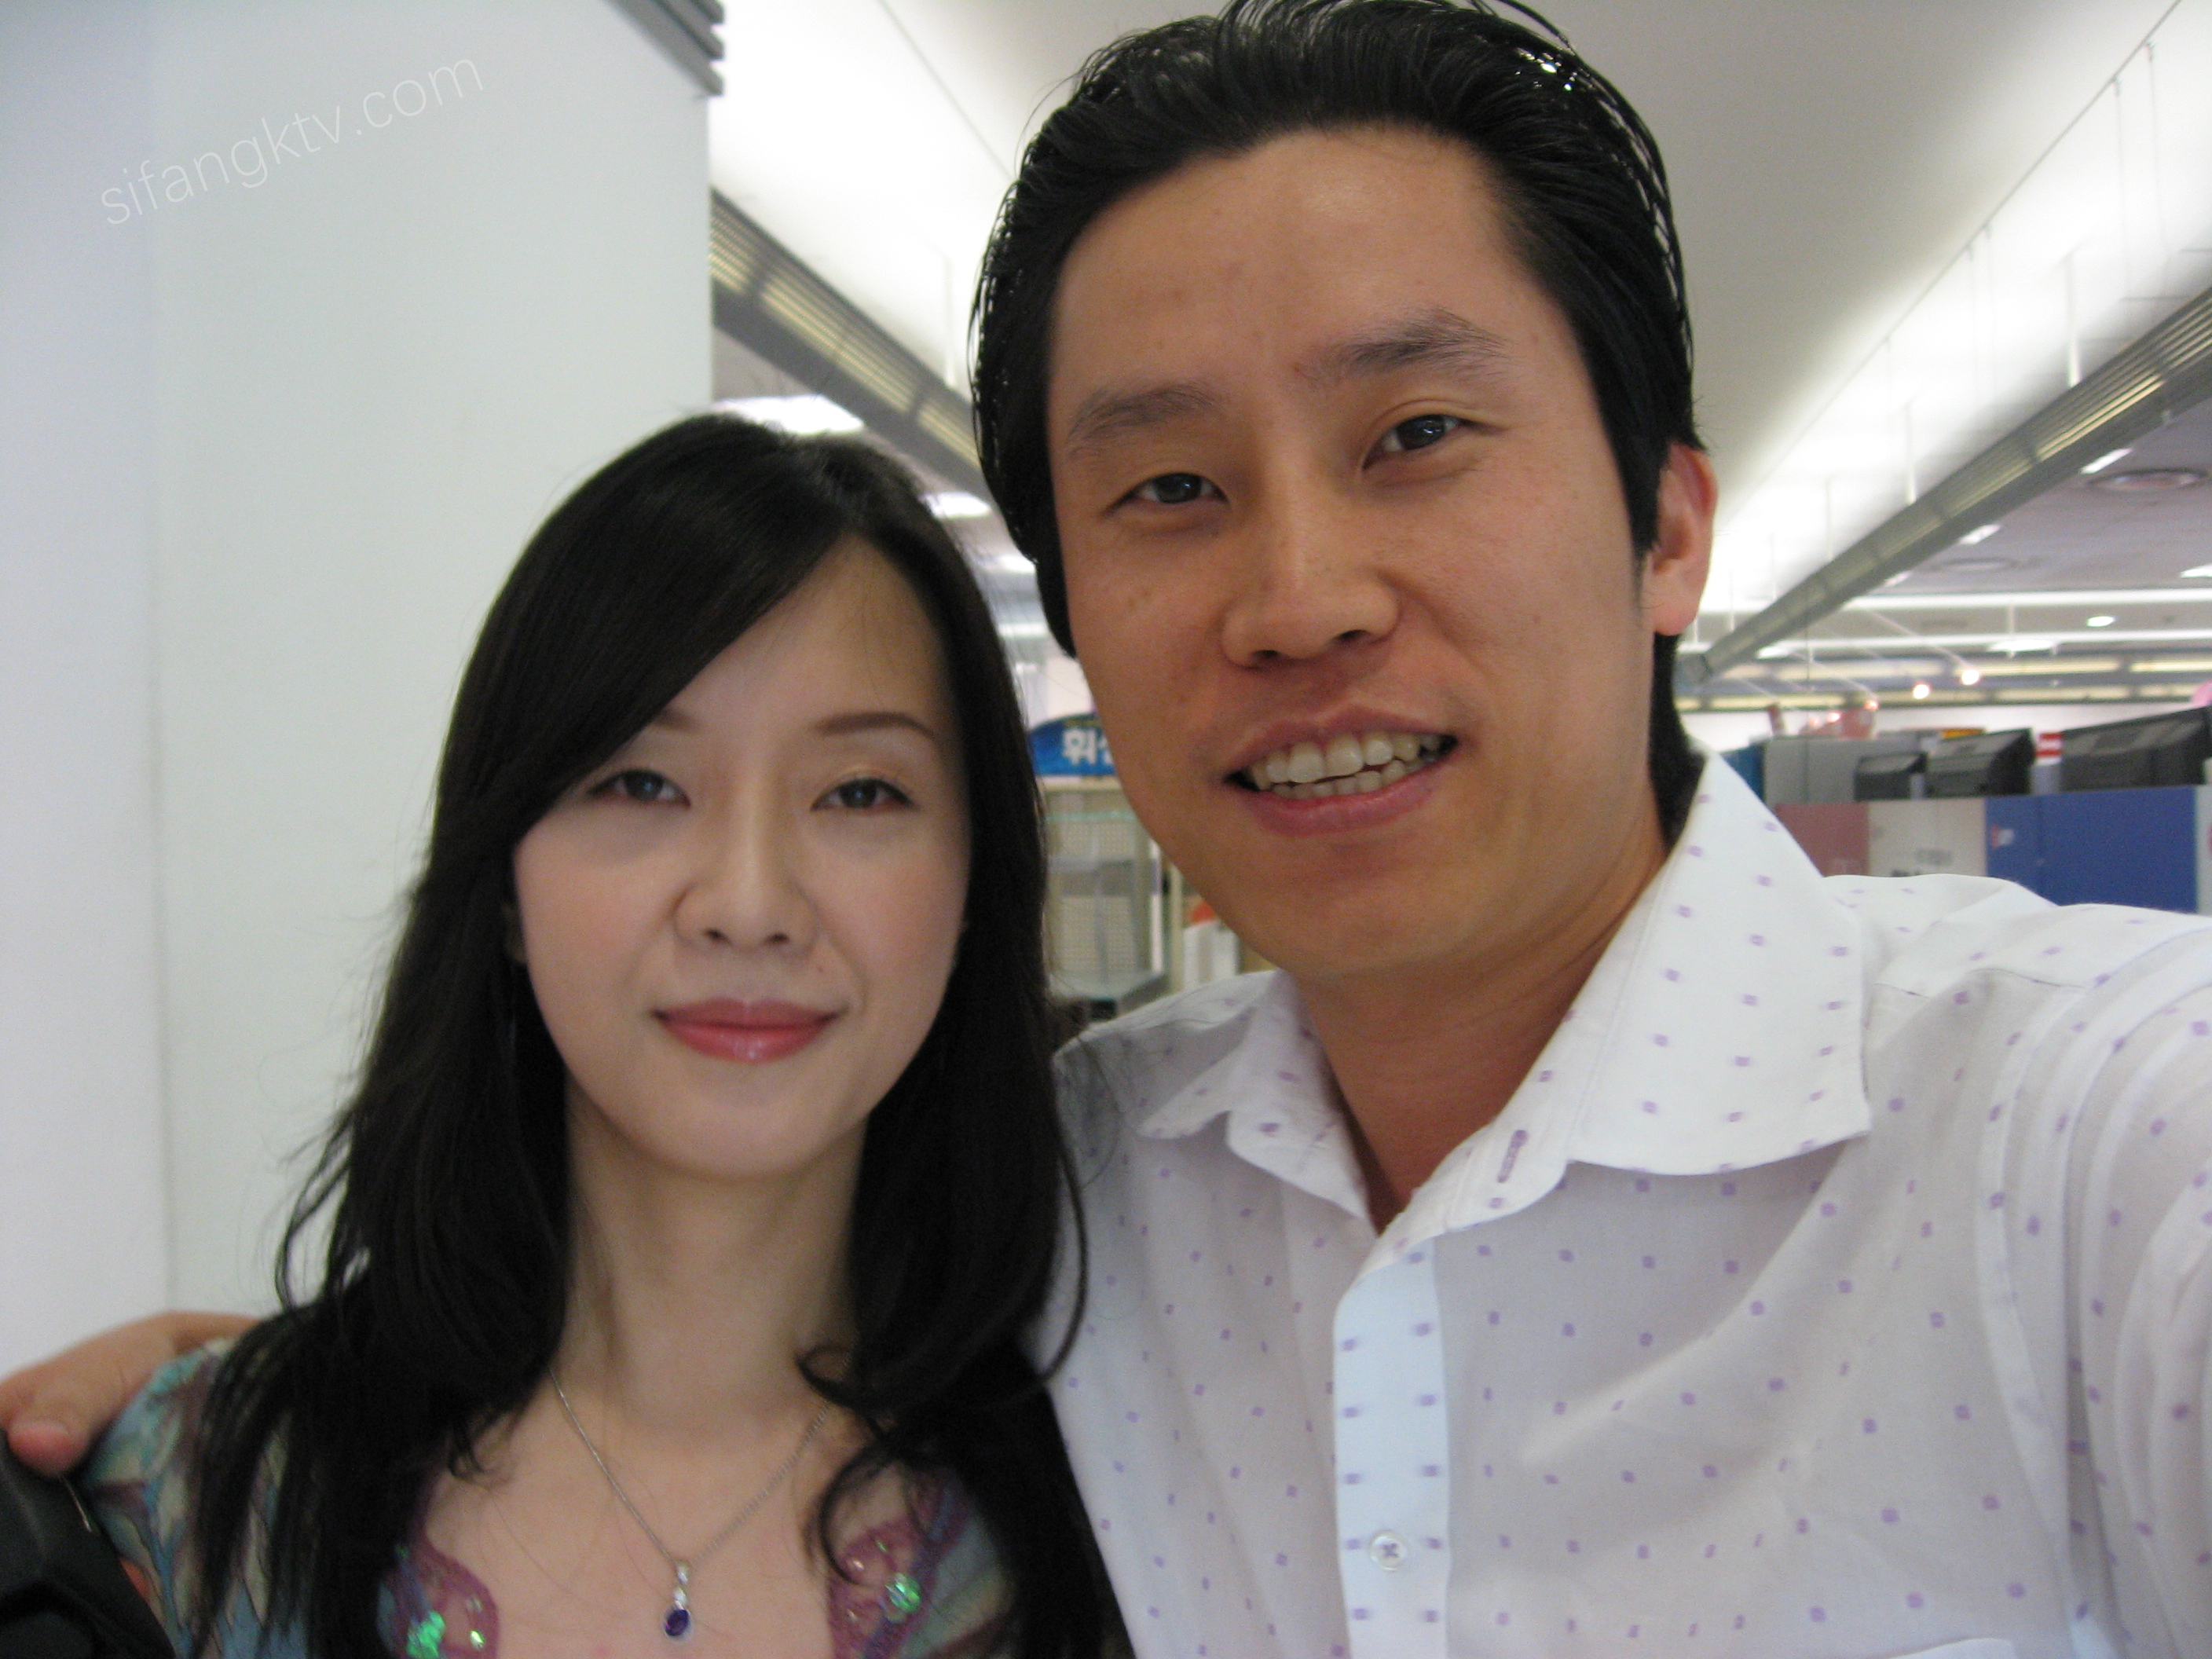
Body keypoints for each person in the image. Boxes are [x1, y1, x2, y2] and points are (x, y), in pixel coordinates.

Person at [10, 0, 2212, 1653]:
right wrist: (261, 1412)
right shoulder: (1093, 1193)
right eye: (1169, 485)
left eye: (1415, 433)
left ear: (1665, 526)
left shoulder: (2076, 1141)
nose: (1299, 596)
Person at [6, 415, 1119, 1658]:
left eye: (861, 792)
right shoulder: (199, 1510)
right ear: (504, 884)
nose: (749, 903)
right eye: (641, 784)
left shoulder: (1134, 1511)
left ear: (971, 888)